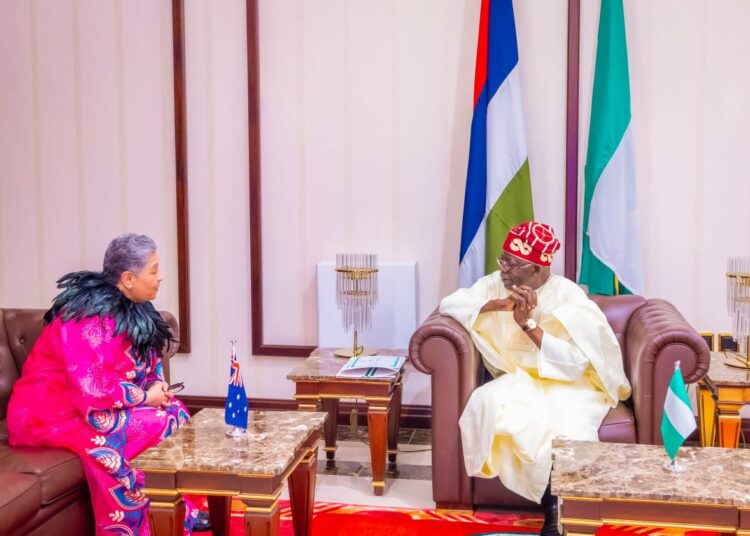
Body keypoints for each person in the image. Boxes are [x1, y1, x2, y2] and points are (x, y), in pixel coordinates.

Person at [7, 234, 209, 535]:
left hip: (92, 403)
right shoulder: (85, 318)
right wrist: (144, 397)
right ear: (128, 278)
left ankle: (176, 513)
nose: (160, 276)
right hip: (51, 411)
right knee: (140, 427)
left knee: (176, 413)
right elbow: (91, 386)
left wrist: (158, 388)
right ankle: (135, 525)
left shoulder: (140, 308)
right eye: (153, 270)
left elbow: (146, 362)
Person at [439, 221, 631, 535]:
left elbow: (575, 365)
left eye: (511, 264)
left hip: (573, 384)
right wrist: (497, 305)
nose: (502, 269)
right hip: (521, 378)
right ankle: (550, 505)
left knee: (566, 427)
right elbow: (450, 303)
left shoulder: (568, 297)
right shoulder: (495, 285)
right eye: (502, 259)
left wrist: (528, 325)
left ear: (537, 267)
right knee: (491, 405)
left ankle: (557, 514)